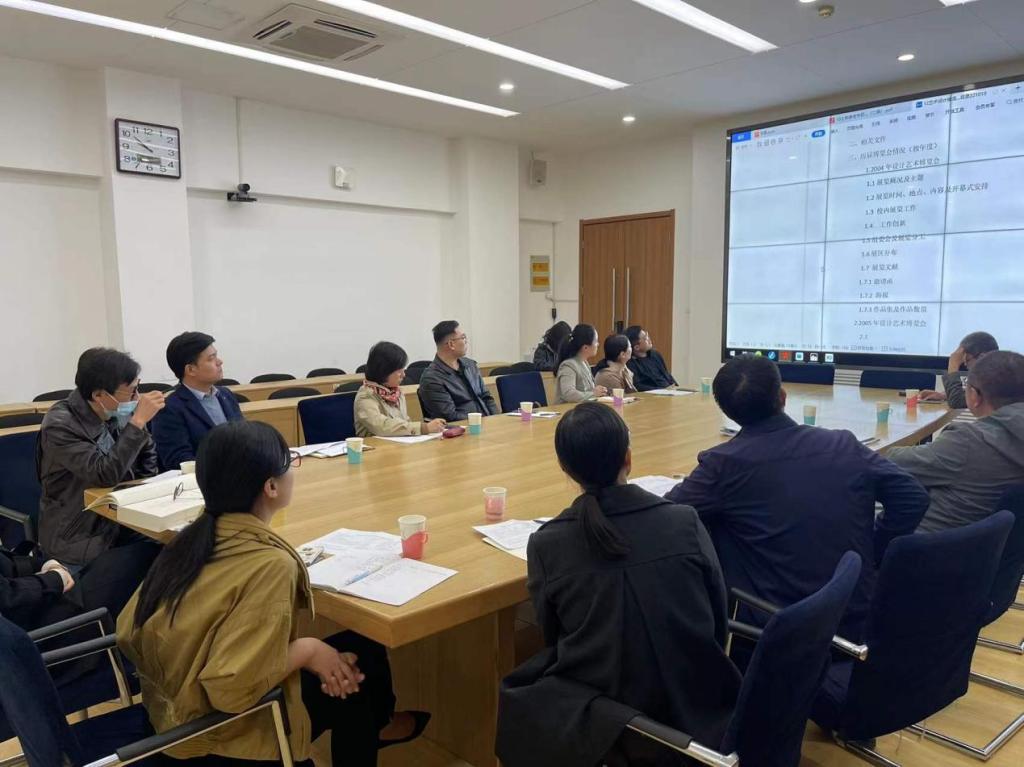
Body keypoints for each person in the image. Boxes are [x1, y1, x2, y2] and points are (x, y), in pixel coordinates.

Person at [117, 421, 429, 765]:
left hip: (168, 713)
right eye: (290, 463)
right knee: (355, 674)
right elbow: (230, 690)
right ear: (271, 487)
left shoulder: (190, 539)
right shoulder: (271, 565)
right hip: (218, 732)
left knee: (360, 651)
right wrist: (308, 651)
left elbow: (127, 629)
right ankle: (374, 726)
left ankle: (378, 725)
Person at [496, 402, 740, 767]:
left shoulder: (548, 542)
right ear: (628, 458)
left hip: (609, 719)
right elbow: (717, 615)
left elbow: (553, 636)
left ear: (564, 467)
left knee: (519, 690)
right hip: (700, 703)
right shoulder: (683, 520)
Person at [665, 355, 928, 639]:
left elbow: (664, 516)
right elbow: (913, 498)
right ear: (782, 396)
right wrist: (870, 553)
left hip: (775, 631)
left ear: (728, 412)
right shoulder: (842, 444)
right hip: (854, 617)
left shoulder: (723, 465)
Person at [38, 348, 165, 566]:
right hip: (80, 532)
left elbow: (148, 456)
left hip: (122, 517)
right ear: (99, 395)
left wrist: (141, 493)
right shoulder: (60, 424)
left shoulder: (117, 409)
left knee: (179, 549)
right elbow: (104, 475)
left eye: (138, 388)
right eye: (131, 392)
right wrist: (137, 423)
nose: (137, 397)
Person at [889, 350, 1024, 533]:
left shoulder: (967, 441)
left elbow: (894, 462)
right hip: (993, 544)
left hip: (927, 544)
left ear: (974, 396)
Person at [152, 332, 243, 472]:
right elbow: (179, 460)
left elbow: (243, 437)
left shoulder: (226, 395)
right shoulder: (169, 409)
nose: (219, 362)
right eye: (211, 359)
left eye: (216, 356)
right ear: (191, 369)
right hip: (205, 479)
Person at [355, 341, 446, 437]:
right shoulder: (366, 395)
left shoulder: (396, 392)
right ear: (384, 371)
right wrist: (423, 428)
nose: (403, 375)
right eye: (399, 371)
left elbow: (405, 422)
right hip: (374, 445)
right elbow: (381, 426)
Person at [418, 321, 499, 422]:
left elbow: (486, 397)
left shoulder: (470, 365)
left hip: (485, 423)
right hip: (463, 428)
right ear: (451, 344)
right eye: (463, 337)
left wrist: (496, 419)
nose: (466, 341)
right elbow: (449, 416)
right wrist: (479, 421)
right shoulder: (432, 379)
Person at [920, 331, 999, 408]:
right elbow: (975, 396)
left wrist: (953, 365)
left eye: (967, 360)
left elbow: (957, 401)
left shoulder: (998, 382)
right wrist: (944, 395)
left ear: (982, 358)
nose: (965, 365)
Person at [553, 323, 608, 404]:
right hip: (567, 409)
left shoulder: (584, 362)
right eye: (596, 341)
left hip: (583, 408)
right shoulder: (568, 366)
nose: (598, 344)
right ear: (585, 347)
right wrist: (593, 394)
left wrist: (596, 391)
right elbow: (569, 394)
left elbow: (585, 391)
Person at [624, 325, 677, 392]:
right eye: (645, 338)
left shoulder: (655, 354)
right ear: (637, 347)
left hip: (669, 391)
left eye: (647, 335)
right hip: (653, 394)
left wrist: (676, 387)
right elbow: (638, 386)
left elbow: (666, 373)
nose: (649, 339)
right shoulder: (630, 363)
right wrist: (662, 390)